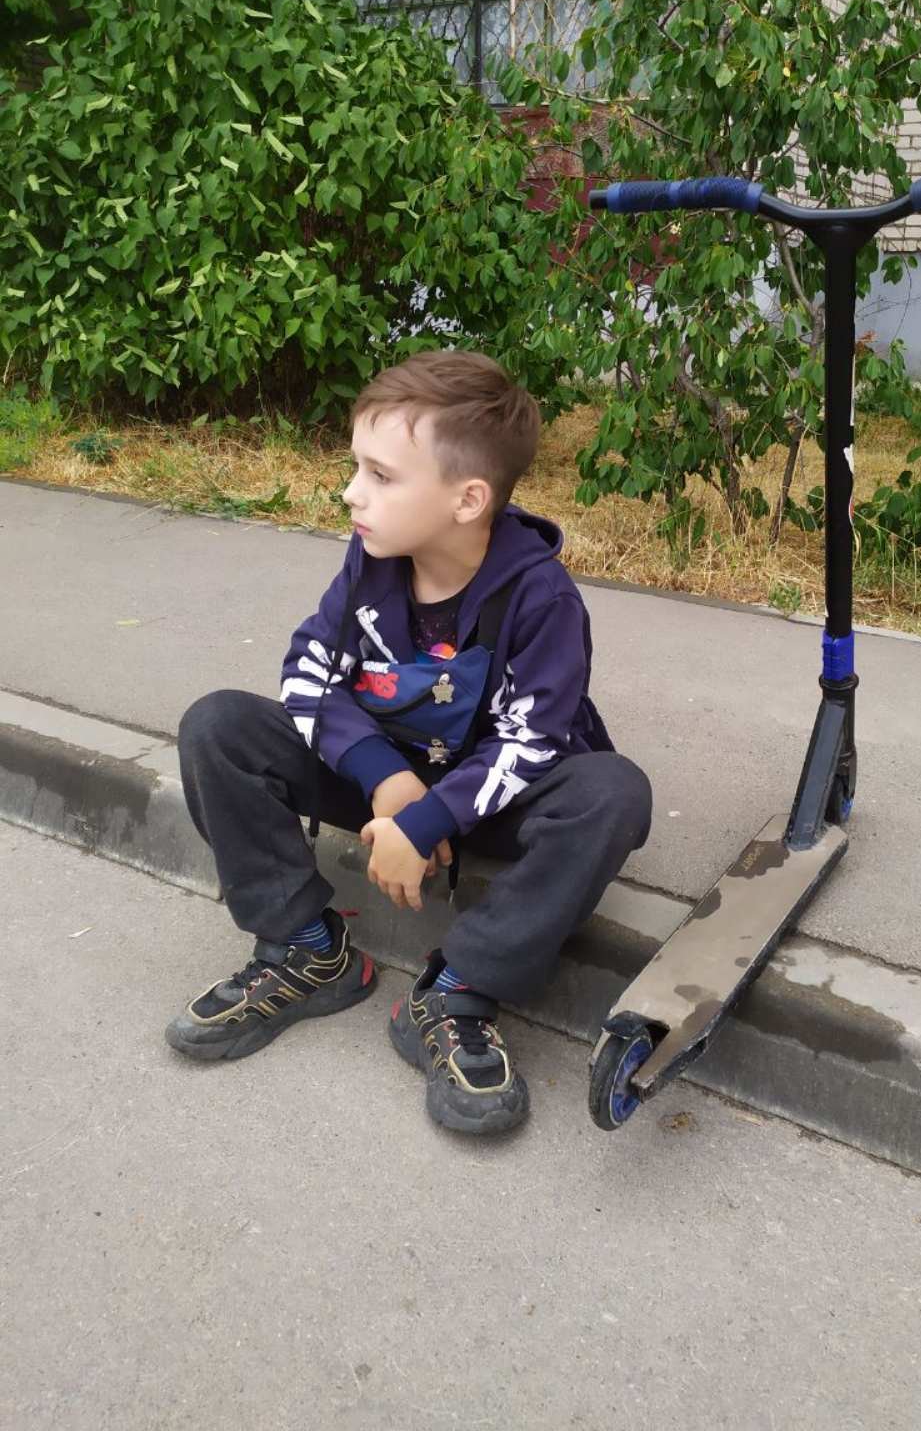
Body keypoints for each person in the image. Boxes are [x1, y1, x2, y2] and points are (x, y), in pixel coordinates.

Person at [166, 349, 653, 1135]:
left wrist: (427, 822)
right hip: (386, 785)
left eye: (381, 475)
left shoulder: (541, 598)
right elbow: (308, 672)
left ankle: (458, 990)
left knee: (615, 794)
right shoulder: (374, 560)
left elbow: (531, 742)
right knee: (218, 726)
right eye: (356, 466)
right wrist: (388, 785)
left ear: (468, 499)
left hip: (495, 803)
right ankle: (307, 948)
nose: (351, 492)